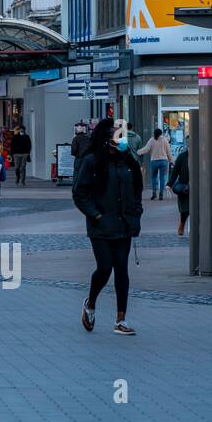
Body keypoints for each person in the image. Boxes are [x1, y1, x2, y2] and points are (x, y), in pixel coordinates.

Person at [72, 118, 143, 336]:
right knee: (104, 267)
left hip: (124, 224)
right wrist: (96, 214)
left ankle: (121, 319)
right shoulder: (92, 161)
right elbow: (79, 193)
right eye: (116, 136)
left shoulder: (127, 161)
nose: (120, 140)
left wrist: (136, 212)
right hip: (101, 225)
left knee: (121, 269)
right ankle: (90, 303)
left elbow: (137, 190)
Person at [137, 128, 173, 200]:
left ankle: (154, 193)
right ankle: (161, 194)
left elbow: (146, 149)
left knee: (154, 177)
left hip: (154, 161)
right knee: (162, 178)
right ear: (161, 133)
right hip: (163, 161)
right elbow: (169, 152)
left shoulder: (151, 140)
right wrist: (171, 161)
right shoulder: (165, 140)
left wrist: (138, 152)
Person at [169, 146, 191, 236]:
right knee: (185, 210)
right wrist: (169, 184)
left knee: (197, 209)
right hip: (184, 187)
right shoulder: (182, 157)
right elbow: (175, 171)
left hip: (198, 186)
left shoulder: (202, 156)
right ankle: (182, 224)